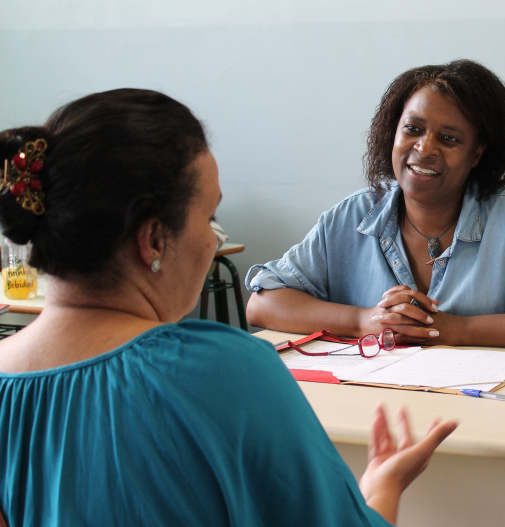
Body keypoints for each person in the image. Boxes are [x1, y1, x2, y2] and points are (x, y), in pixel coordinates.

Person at [0, 89, 456, 526]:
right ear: (154, 239)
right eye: (210, 217)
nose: (212, 240)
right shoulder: (218, 370)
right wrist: (383, 488)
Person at [245, 59, 505, 350]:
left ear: (477, 153)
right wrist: (363, 321)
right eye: (413, 129)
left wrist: (458, 328)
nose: (424, 148)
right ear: (393, 132)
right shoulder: (353, 216)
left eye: (449, 138)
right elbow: (263, 304)